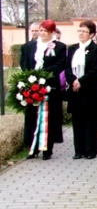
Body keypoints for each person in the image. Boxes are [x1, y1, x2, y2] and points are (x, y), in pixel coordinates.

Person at [21, 19, 66, 160]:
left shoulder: (59, 47)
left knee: (49, 117)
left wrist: (43, 74)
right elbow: (24, 62)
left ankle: (47, 148)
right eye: (41, 31)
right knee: (32, 116)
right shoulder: (29, 46)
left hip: (50, 86)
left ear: (52, 32)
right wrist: (30, 76)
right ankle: (32, 148)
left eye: (45, 31)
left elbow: (60, 64)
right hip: (32, 85)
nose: (42, 33)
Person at [65, 20, 97, 159]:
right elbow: (67, 68)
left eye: (84, 31)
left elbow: (95, 70)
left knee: (90, 121)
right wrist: (73, 80)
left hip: (90, 89)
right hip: (75, 89)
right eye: (80, 31)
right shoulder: (72, 49)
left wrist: (80, 81)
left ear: (92, 34)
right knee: (77, 120)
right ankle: (79, 150)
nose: (81, 33)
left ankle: (90, 150)